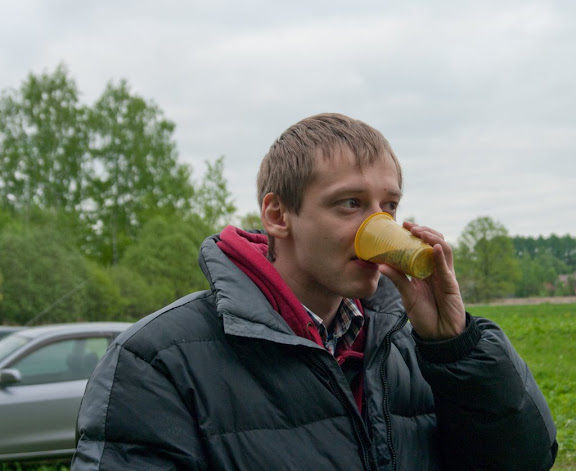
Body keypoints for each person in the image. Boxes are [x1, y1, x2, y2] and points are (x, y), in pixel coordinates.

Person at [72, 113, 557, 470]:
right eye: (350, 204)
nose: (379, 228)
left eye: (389, 206)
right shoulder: (155, 361)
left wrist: (456, 347)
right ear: (278, 215)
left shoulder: (410, 345)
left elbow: (524, 460)